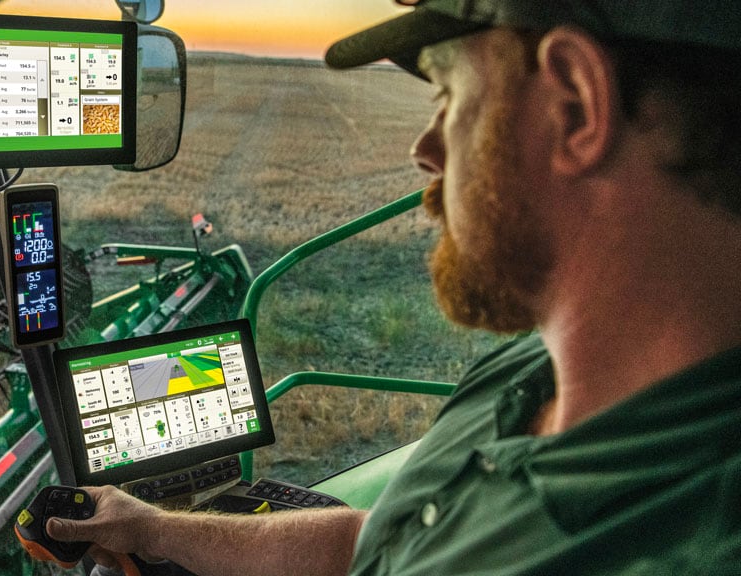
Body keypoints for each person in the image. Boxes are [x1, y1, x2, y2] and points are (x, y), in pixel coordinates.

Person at [47, 1, 741, 574]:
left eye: (448, 95)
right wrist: (154, 530)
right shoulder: (525, 371)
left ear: (575, 106)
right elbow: (367, 545)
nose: (425, 149)